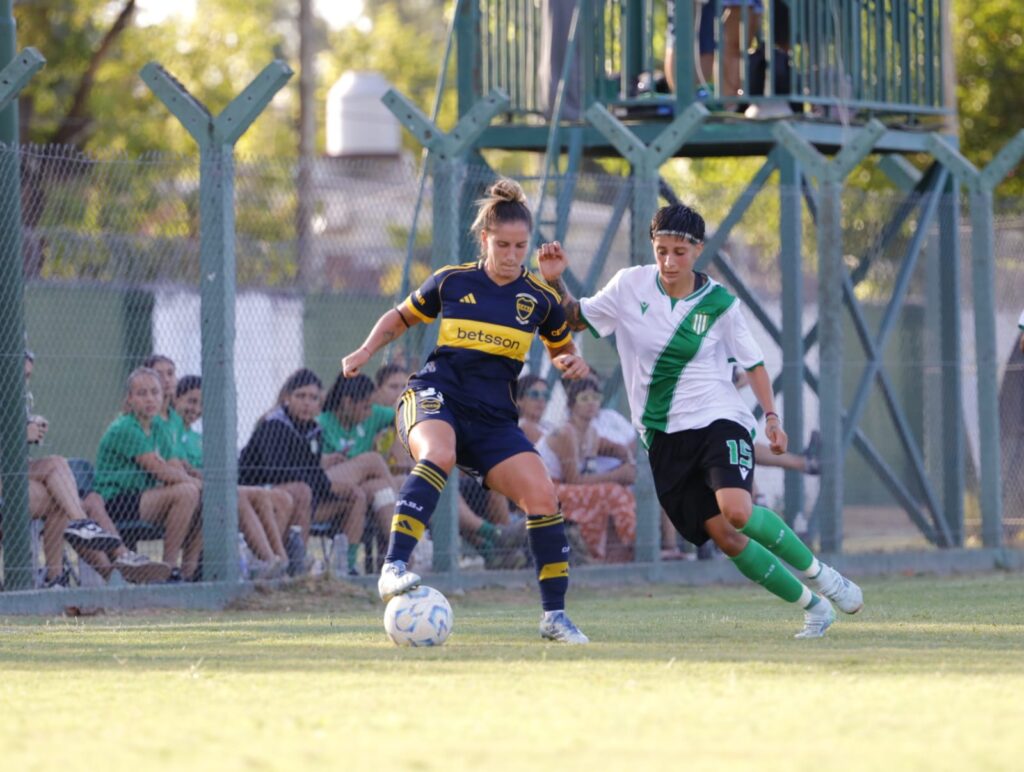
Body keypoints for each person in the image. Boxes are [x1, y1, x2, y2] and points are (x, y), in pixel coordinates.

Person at [538, 202, 864, 638]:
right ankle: (815, 608)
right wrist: (554, 280)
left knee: (738, 511)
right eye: (661, 251)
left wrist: (771, 417)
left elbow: (753, 364)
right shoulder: (629, 285)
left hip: (719, 419)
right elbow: (574, 319)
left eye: (680, 252)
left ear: (698, 250)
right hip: (661, 435)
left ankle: (824, 577)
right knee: (728, 538)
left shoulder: (719, 304)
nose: (669, 262)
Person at [342, 178, 592, 644]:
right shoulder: (453, 280)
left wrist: (570, 362)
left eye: (520, 246)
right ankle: (394, 566)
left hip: (493, 418)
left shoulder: (539, 298)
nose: (512, 255)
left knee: (543, 496)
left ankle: (555, 617)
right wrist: (364, 351)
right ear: (484, 239)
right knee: (439, 453)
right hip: (436, 395)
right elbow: (400, 317)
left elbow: (562, 348)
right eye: (502, 245)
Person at [238, 368, 361, 576]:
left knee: (355, 495)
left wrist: (328, 489)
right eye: (300, 396)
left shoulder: (314, 430)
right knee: (302, 490)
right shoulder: (274, 424)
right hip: (259, 490)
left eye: (313, 398)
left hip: (300, 494)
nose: (306, 403)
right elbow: (278, 471)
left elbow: (313, 471)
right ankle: (295, 562)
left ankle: (347, 566)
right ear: (287, 398)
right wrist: (320, 484)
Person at [93, 367, 204, 581]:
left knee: (203, 498)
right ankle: (168, 570)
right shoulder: (125, 427)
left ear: (163, 396)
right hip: (115, 502)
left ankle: (188, 575)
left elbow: (174, 467)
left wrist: (196, 484)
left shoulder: (158, 427)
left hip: (143, 498)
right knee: (187, 492)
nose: (150, 399)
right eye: (142, 393)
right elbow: (160, 471)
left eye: (155, 392)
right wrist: (195, 483)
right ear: (130, 399)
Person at [173, 376, 289, 579]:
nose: (196, 409)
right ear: (176, 399)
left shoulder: (198, 438)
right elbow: (183, 469)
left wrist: (201, 474)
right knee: (235, 496)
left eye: (201, 404)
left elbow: (204, 471)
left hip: (207, 488)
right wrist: (200, 474)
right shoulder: (169, 429)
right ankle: (268, 560)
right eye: (191, 401)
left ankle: (279, 561)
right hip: (193, 492)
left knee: (263, 495)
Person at [536, 376, 637, 562]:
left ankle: (617, 555)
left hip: (563, 489)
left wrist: (625, 458)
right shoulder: (565, 432)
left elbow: (618, 449)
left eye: (595, 398)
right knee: (612, 492)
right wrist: (618, 475)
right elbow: (574, 480)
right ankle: (636, 545)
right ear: (572, 404)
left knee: (614, 493)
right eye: (584, 398)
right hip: (544, 491)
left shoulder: (591, 433)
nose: (591, 403)